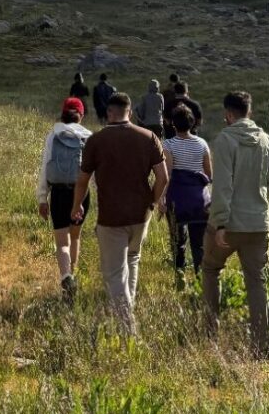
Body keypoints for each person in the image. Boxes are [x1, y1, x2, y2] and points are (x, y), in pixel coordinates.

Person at [72, 92, 169, 335]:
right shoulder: (149, 137)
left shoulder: (97, 140)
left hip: (111, 216)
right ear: (130, 111)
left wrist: (76, 206)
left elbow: (82, 179)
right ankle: (128, 311)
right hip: (140, 214)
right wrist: (153, 202)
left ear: (109, 113)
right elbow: (163, 177)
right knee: (132, 260)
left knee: (114, 273)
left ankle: (128, 330)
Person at [202, 91, 269, 355]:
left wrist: (219, 223)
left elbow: (222, 186)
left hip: (229, 224)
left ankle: (210, 334)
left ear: (228, 114)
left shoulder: (225, 140)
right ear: (249, 112)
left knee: (211, 269)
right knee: (257, 282)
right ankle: (259, 345)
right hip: (258, 222)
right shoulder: (266, 140)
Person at [36, 97, 93, 302]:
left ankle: (66, 277)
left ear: (62, 113)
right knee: (75, 236)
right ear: (81, 115)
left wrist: (43, 198)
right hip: (81, 193)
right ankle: (74, 275)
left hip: (58, 193)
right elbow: (92, 171)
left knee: (62, 242)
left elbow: (45, 167)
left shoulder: (53, 135)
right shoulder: (89, 137)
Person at [162, 104, 212, 284]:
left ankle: (180, 277)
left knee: (177, 241)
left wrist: (161, 199)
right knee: (199, 244)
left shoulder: (168, 145)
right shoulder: (202, 143)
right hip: (199, 200)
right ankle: (201, 280)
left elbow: (166, 175)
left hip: (177, 198)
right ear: (192, 123)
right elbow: (209, 174)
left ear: (173, 124)